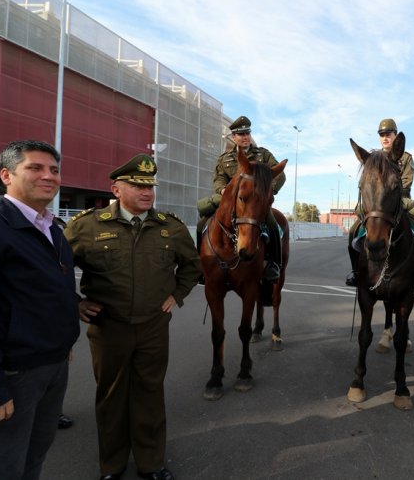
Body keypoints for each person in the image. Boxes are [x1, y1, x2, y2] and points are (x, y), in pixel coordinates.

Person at [64, 154, 201, 480]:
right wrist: (75, 302)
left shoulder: (170, 227)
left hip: (153, 328)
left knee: (149, 395)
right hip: (108, 330)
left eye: (150, 185)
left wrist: (176, 295)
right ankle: (111, 467)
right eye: (137, 185)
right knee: (111, 398)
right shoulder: (86, 226)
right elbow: (52, 269)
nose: (147, 192)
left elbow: (193, 266)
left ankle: (151, 464)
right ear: (116, 189)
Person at [0, 140, 80, 479]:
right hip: (10, 377)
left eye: (54, 169)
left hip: (51, 367)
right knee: (2, 469)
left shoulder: (52, 228)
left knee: (33, 459)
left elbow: (48, 292)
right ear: (6, 175)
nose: (49, 176)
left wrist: (62, 340)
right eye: (35, 168)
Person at [345, 118, 414, 295]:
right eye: (382, 135)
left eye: (388, 134)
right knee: (354, 231)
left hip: (399, 200)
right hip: (377, 202)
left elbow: (406, 182)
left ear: (396, 135)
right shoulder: (374, 158)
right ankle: (356, 272)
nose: (385, 138)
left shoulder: (406, 157)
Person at [196, 116, 286, 284]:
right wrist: (223, 190)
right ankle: (200, 264)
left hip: (255, 203)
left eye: (247, 133)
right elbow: (218, 179)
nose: (245, 137)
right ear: (234, 137)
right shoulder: (224, 159)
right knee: (203, 223)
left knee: (273, 225)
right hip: (230, 200)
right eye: (241, 134)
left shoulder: (263, 155)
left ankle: (274, 263)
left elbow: (279, 175)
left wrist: (267, 191)